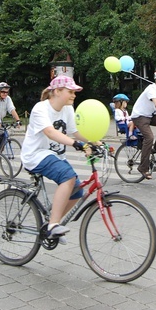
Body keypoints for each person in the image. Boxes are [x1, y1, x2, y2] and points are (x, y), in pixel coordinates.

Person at [21, 75, 93, 239]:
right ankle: (54, 225)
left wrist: (95, 142)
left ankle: (52, 223)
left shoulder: (67, 108)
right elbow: (50, 132)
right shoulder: (41, 108)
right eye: (71, 91)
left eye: (75, 92)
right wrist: (76, 144)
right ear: (57, 91)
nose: (74, 95)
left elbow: (74, 132)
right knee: (67, 177)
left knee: (77, 192)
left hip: (55, 156)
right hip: (36, 155)